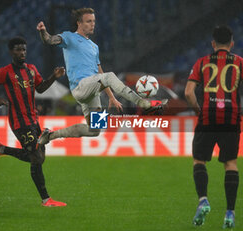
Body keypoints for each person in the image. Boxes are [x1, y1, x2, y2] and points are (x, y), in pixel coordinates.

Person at [35, 7, 167, 144]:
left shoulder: (94, 47)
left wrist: (111, 97)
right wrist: (43, 31)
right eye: (88, 21)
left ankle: (50, 135)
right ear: (79, 23)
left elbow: (100, 73)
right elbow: (49, 40)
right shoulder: (69, 37)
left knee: (95, 130)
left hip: (92, 90)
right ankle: (142, 103)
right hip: (81, 86)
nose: (93, 24)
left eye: (94, 21)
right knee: (110, 76)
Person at [184, 26, 243, 228]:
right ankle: (230, 213)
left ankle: (203, 200)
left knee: (199, 160)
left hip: (207, 117)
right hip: (231, 118)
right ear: (232, 43)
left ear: (213, 44)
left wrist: (199, 112)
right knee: (230, 163)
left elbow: (189, 93)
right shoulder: (241, 62)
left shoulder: (202, 62)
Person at [0, 37, 67, 207]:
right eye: (18, 50)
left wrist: (54, 76)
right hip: (19, 121)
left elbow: (41, 87)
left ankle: (1, 149)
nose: (22, 53)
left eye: (24, 49)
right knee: (36, 157)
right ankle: (46, 200)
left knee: (40, 158)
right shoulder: (4, 72)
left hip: (33, 119)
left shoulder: (31, 69)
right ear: (11, 52)